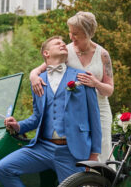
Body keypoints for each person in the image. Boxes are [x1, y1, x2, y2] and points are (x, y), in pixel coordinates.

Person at [0, 36, 102, 187]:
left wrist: (94, 153)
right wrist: (17, 126)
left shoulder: (81, 77)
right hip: (42, 147)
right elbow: (37, 117)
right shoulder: (39, 80)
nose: (62, 44)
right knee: (3, 168)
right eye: (56, 43)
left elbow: (94, 117)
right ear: (46, 53)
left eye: (63, 42)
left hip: (71, 151)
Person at [30, 11, 115, 159]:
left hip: (100, 109)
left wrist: (95, 83)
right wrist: (33, 77)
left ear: (87, 33)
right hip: (77, 110)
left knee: (102, 150)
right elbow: (41, 68)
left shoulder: (103, 55)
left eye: (75, 34)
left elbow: (109, 90)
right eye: (70, 32)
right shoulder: (66, 51)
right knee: (80, 153)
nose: (71, 37)